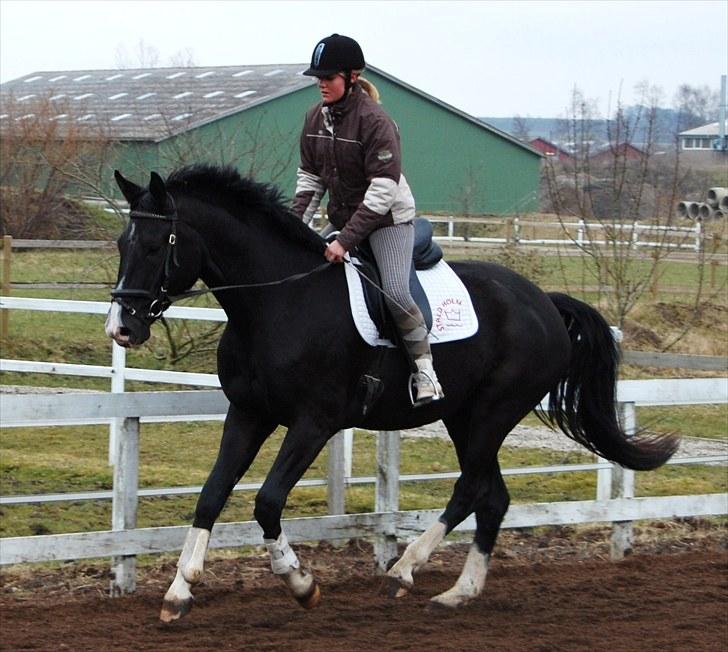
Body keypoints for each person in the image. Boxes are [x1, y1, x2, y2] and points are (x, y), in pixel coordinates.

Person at [291, 33, 444, 405]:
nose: (321, 84)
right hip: (346, 218)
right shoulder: (315, 118)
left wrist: (344, 240)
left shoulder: (375, 121)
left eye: (328, 77)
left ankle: (425, 371)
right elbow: (309, 179)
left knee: (393, 289)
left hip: (387, 220)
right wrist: (292, 228)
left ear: (352, 76)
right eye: (318, 78)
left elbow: (381, 192)